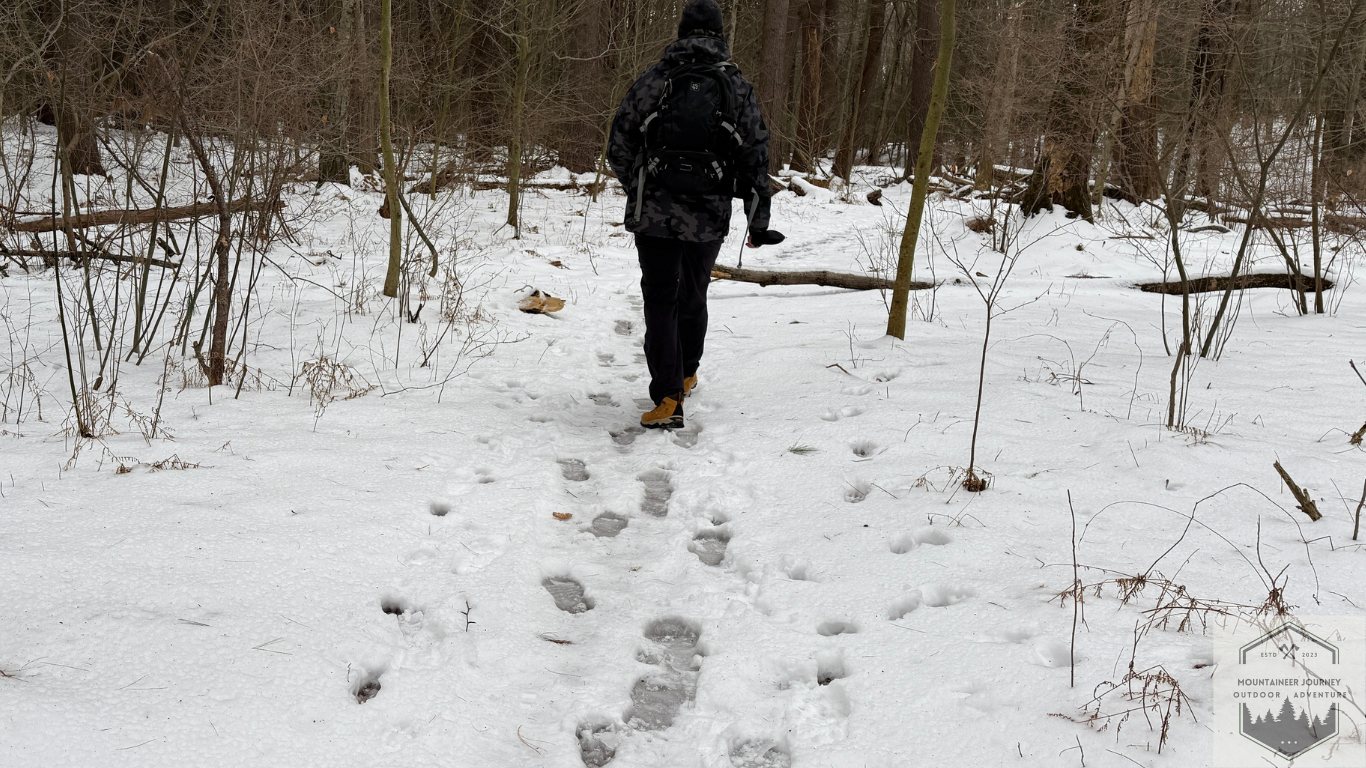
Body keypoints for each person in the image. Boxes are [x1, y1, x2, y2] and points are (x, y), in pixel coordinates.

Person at [608, 0, 784, 431]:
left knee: (660, 298)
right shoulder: (736, 86)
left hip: (655, 215)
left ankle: (668, 397)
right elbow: (756, 159)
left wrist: (641, 185)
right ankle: (686, 372)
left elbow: (619, 144)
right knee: (693, 293)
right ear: (721, 35)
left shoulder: (655, 79)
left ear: (682, 32)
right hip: (709, 214)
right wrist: (756, 223)